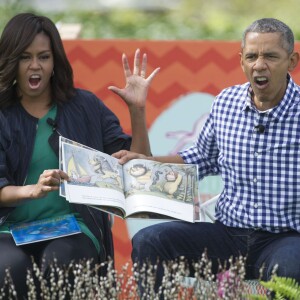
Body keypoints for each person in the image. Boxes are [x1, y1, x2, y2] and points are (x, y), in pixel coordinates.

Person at [113, 17, 300, 296]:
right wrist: (144, 160)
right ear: (241, 61)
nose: (259, 65)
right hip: (227, 235)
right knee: (150, 240)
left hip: (285, 238)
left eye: (270, 56)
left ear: (292, 61)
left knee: (289, 271)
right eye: (251, 56)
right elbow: (199, 159)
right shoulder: (226, 102)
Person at [0, 12, 159, 297]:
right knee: (9, 269)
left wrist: (137, 110)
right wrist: (33, 190)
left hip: (74, 227)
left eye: (43, 57)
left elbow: (138, 165)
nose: (34, 66)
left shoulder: (85, 106)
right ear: (11, 60)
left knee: (63, 263)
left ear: (55, 61)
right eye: (25, 57)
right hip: (9, 229)